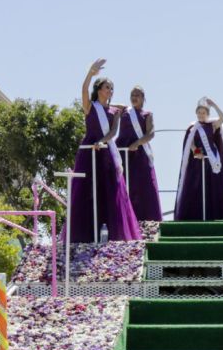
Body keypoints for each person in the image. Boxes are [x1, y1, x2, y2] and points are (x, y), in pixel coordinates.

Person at [69, 59, 141, 243]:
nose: (109, 91)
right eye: (106, 87)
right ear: (99, 89)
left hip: (105, 151)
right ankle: (85, 234)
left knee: (110, 190)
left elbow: (113, 132)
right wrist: (90, 73)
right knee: (87, 190)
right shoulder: (90, 107)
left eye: (111, 88)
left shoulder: (115, 111)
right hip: (89, 151)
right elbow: (83, 91)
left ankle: (112, 234)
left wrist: (101, 142)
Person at [175, 97, 223, 221]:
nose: (201, 115)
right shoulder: (193, 127)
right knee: (196, 188)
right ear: (196, 113)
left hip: (211, 160)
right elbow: (190, 144)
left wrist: (214, 105)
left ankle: (214, 215)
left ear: (207, 114)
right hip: (197, 161)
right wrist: (196, 151)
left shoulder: (211, 125)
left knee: (213, 188)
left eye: (204, 113)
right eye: (199, 112)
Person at [115, 86, 163, 222]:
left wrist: (137, 143)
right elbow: (107, 105)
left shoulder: (147, 114)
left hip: (139, 154)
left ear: (143, 98)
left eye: (137, 95)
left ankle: (145, 220)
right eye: (132, 95)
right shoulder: (124, 110)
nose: (134, 97)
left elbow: (151, 133)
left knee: (142, 185)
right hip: (122, 152)